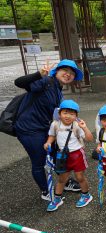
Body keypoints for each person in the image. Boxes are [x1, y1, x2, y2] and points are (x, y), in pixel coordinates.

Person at [14, 59, 83, 201]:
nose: (68, 74)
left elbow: (57, 112)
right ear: (56, 71)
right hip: (29, 129)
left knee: (56, 154)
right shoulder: (45, 81)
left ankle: (63, 182)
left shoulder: (58, 88)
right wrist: (39, 74)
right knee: (39, 161)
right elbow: (19, 82)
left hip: (45, 127)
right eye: (65, 71)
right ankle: (46, 191)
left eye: (71, 73)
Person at [43, 100, 94, 211]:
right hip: (62, 155)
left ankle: (86, 195)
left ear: (76, 116)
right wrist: (48, 142)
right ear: (60, 113)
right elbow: (52, 135)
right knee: (62, 178)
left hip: (77, 155)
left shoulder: (77, 125)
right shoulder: (55, 124)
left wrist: (84, 127)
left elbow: (89, 139)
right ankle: (57, 198)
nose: (68, 116)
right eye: (65, 112)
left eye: (72, 114)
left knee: (80, 177)